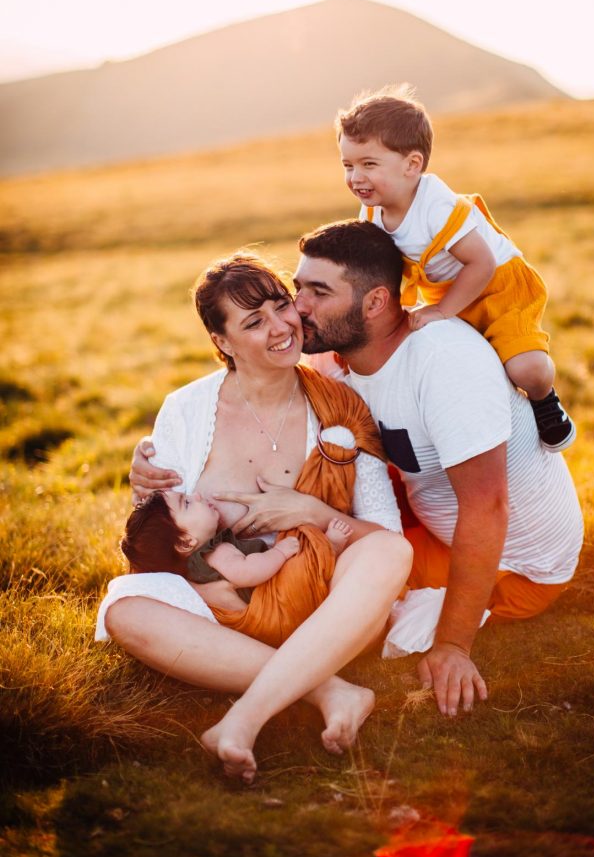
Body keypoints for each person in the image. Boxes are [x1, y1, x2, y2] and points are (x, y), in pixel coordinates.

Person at [97, 251, 412, 782]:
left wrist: (309, 511)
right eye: (252, 321)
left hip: (323, 604)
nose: (280, 327)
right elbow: (163, 534)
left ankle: (243, 719)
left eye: (279, 306)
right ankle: (328, 689)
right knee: (123, 611)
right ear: (221, 342)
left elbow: (382, 534)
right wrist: (140, 486)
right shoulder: (187, 409)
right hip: (225, 616)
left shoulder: (342, 407)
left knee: (391, 552)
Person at [284, 219, 584, 719]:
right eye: (299, 288)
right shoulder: (341, 358)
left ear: (376, 302)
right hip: (430, 517)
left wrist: (453, 646)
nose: (299, 307)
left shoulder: (444, 363)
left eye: (318, 292)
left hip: (517, 563)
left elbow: (488, 508)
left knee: (321, 589)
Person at [336, 85, 576, 452]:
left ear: (412, 165)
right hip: (442, 288)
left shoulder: (437, 207)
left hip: (496, 285)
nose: (356, 178)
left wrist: (443, 312)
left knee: (524, 368)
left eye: (369, 164)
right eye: (348, 165)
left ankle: (546, 401)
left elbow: (481, 263)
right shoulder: (372, 208)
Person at [120, 488, 354, 647]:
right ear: (185, 542)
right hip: (275, 602)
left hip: (272, 608)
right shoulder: (215, 552)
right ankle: (328, 548)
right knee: (301, 568)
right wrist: (279, 553)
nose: (198, 495)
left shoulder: (198, 566)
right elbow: (246, 572)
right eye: (188, 503)